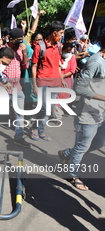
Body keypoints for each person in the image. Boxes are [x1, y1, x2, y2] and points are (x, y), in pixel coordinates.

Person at [58, 32, 105, 191]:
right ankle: (72, 174)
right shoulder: (95, 61)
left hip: (101, 113)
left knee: (99, 142)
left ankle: (67, 153)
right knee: (83, 145)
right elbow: (79, 88)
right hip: (88, 112)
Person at [0, 28, 31, 148]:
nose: (20, 42)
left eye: (22, 40)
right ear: (11, 39)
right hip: (3, 89)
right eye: (18, 40)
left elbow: (25, 66)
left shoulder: (20, 51)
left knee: (20, 114)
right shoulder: (1, 51)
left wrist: (24, 53)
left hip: (17, 89)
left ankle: (18, 137)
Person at [30, 21, 65, 142]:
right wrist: (34, 85)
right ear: (54, 33)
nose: (61, 35)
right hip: (43, 81)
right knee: (44, 107)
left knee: (48, 109)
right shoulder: (40, 47)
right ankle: (34, 127)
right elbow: (34, 66)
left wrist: (61, 78)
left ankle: (41, 130)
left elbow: (59, 65)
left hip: (55, 82)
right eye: (60, 33)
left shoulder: (59, 46)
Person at [52, 42, 77, 120]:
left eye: (69, 52)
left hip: (67, 81)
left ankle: (58, 114)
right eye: (66, 51)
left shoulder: (72, 58)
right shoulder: (58, 57)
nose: (68, 53)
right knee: (55, 98)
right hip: (57, 79)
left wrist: (63, 76)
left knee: (63, 98)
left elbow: (72, 70)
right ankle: (57, 116)